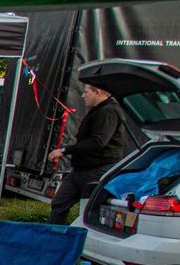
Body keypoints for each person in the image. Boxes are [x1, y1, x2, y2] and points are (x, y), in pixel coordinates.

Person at [47, 78, 128, 224]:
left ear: (97, 92)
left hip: (97, 169)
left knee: (90, 209)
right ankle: (55, 234)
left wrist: (64, 150)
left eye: (86, 92)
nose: (83, 95)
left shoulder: (109, 111)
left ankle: (88, 234)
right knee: (59, 203)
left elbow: (98, 142)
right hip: (81, 169)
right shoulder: (97, 110)